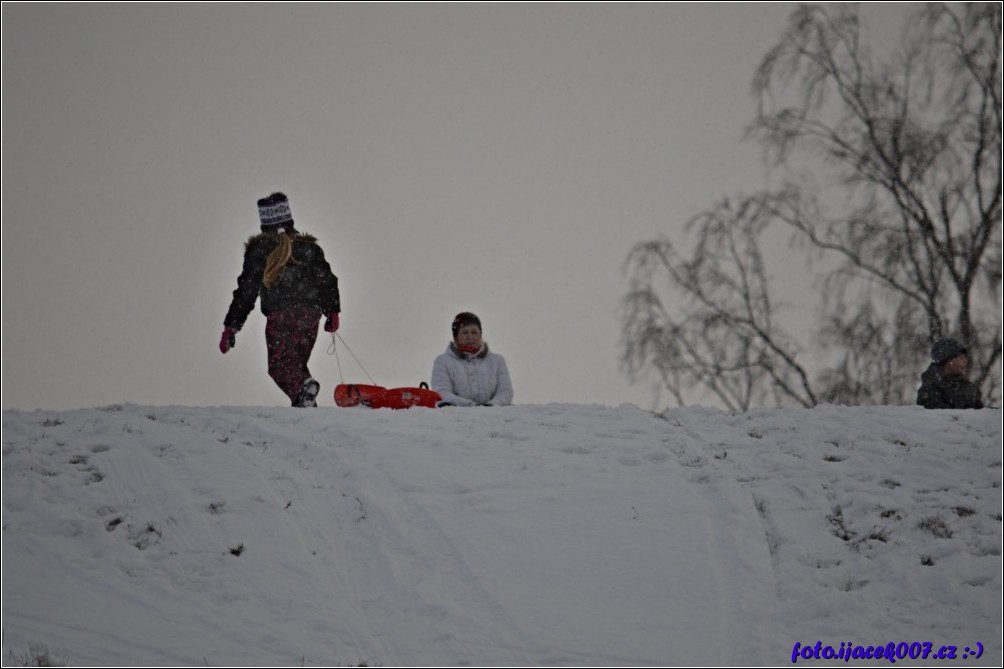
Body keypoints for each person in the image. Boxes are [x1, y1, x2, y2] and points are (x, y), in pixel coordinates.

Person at [220, 192, 341, 407]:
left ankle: (303, 389)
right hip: (309, 316)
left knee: (279, 366)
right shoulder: (309, 249)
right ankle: (306, 406)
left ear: (264, 224)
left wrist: (232, 326)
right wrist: (332, 312)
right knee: (296, 364)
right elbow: (327, 281)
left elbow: (246, 292)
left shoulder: (260, 252)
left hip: (281, 316)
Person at [431, 312, 513, 407]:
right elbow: (442, 393)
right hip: (457, 417)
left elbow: (505, 391)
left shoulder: (497, 361)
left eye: (474, 332)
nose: (470, 337)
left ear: (481, 334)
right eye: (465, 332)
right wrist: (471, 406)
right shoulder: (443, 361)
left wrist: (492, 405)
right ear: (456, 337)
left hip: (493, 417)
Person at [916, 338, 984, 410]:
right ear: (948, 361)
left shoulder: (969, 389)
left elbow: (979, 416)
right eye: (961, 358)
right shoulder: (930, 390)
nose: (965, 361)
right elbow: (939, 418)